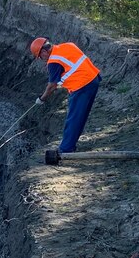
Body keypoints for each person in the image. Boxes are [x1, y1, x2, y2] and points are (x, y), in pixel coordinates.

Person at [29, 37, 101, 165]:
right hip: (93, 79)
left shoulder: (53, 62)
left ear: (43, 52)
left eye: (40, 57)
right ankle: (71, 144)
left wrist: (42, 99)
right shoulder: (68, 45)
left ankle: (66, 149)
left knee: (73, 118)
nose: (42, 59)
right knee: (80, 116)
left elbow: (52, 86)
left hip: (81, 86)